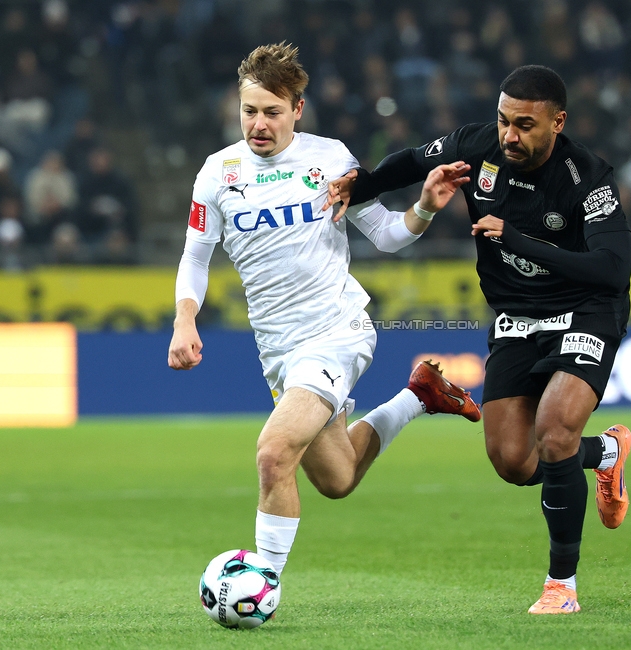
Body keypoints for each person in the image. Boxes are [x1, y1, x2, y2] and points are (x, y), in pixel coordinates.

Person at [324, 64, 631, 615]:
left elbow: (611, 269)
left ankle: (561, 587)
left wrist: (516, 239)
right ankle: (605, 452)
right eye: (502, 120)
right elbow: (412, 161)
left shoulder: (588, 179)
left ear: (557, 122)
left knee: (555, 431)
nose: (509, 136)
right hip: (516, 315)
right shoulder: (478, 145)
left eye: (524, 125)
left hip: (585, 311)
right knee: (513, 460)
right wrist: (361, 184)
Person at [167, 43, 480, 581]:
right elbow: (196, 255)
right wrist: (185, 318)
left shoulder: (330, 158)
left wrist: (425, 205)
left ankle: (260, 585)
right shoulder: (218, 173)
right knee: (337, 478)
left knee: (273, 452)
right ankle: (418, 396)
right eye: (249, 111)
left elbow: (383, 234)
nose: (258, 123)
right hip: (279, 350)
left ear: (297, 109)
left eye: (271, 111)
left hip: (338, 330)